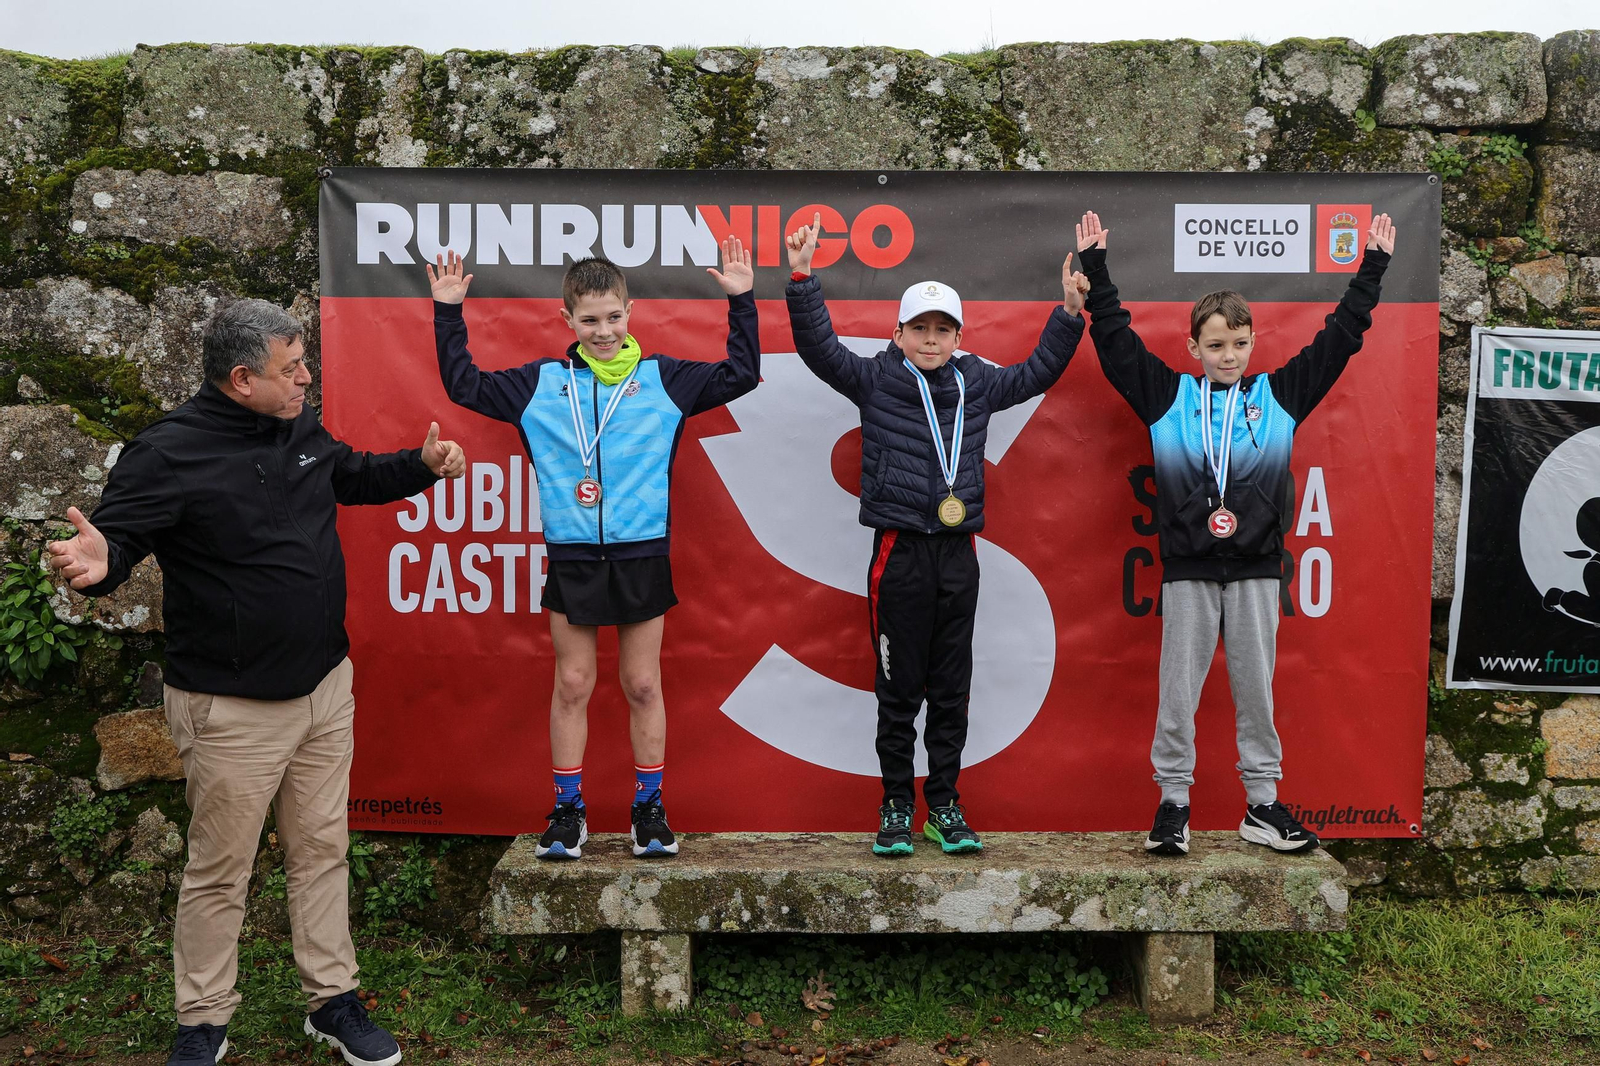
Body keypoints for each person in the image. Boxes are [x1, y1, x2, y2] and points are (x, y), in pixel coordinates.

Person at [46, 299, 466, 1066]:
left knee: (321, 850)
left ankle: (332, 1001)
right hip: (231, 709)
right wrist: (100, 567)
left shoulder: (297, 425)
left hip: (323, 690)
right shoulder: (168, 453)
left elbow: (349, 475)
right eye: (290, 369)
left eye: (303, 361)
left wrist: (420, 467)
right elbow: (120, 542)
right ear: (241, 378)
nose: (305, 377)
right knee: (220, 870)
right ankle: (203, 1022)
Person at [1075, 209, 1395, 856]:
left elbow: (1340, 337)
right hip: (1190, 572)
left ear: (1254, 345)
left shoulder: (1279, 397)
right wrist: (1098, 272)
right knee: (1177, 692)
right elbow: (1114, 341)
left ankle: (1263, 804)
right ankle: (1172, 806)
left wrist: (1373, 268)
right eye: (1216, 346)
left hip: (1254, 571)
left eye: (1239, 345)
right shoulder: (1167, 399)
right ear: (1194, 347)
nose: (1228, 356)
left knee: (1256, 692)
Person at [428, 239, 758, 861]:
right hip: (574, 556)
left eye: (613, 316)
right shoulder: (541, 385)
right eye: (589, 319)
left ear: (630, 312)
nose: (603, 330)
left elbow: (740, 374)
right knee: (573, 682)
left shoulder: (663, 378)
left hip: (641, 553)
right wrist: (449, 310)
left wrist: (741, 300)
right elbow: (463, 385)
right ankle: (568, 811)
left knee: (641, 684)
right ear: (567, 321)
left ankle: (649, 809)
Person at [783, 213, 1088, 856]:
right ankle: (896, 804)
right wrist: (803, 279)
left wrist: (1067, 314)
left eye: (942, 329)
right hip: (898, 553)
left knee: (951, 686)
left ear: (957, 335)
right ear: (898, 333)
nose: (930, 338)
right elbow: (819, 350)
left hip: (958, 554)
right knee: (898, 687)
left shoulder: (976, 382)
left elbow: (1035, 375)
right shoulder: (874, 378)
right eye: (919, 328)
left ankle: (943, 805)